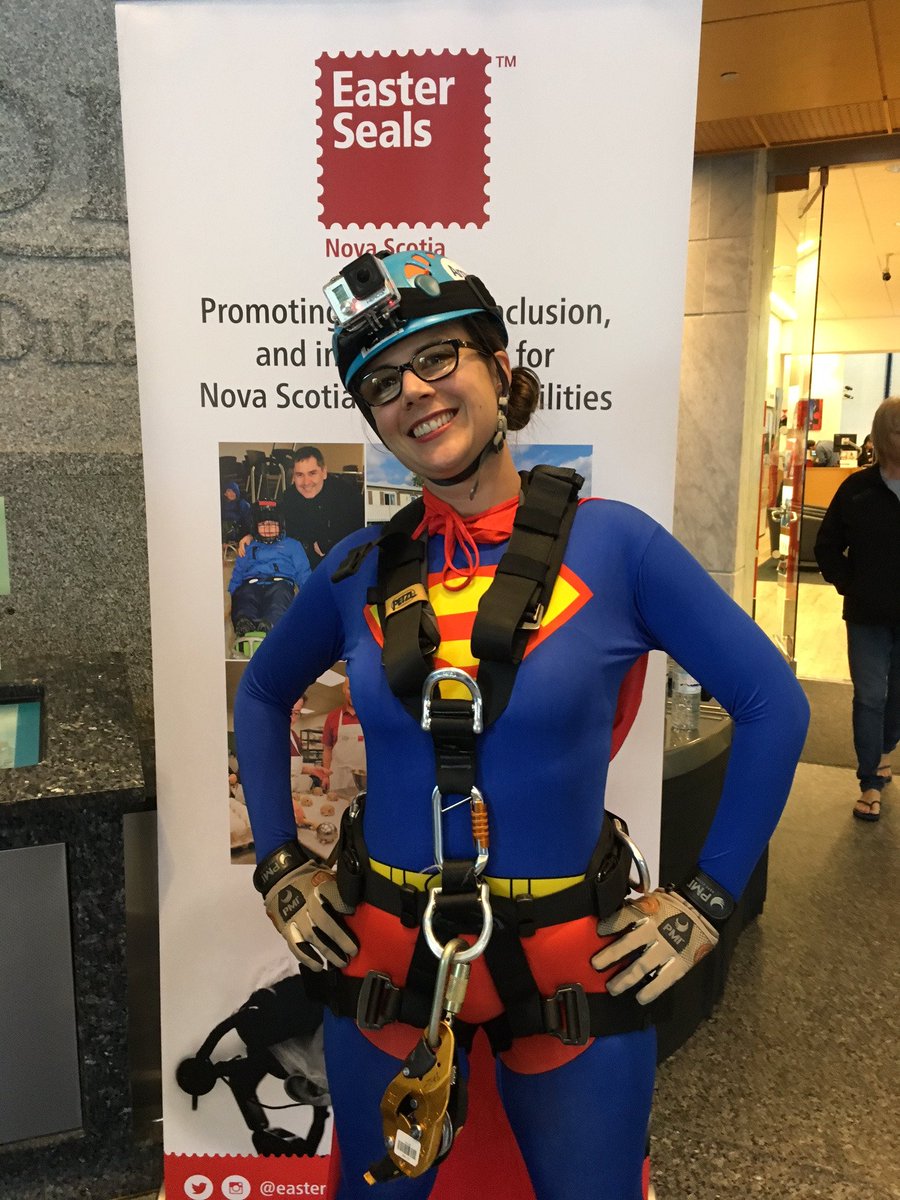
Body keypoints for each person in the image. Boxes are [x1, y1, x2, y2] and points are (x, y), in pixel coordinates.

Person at [234, 249, 809, 1199]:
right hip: (383, 945)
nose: (413, 392)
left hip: (567, 959)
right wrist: (278, 866)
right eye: (380, 384)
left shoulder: (618, 546)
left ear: (499, 366)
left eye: (437, 358)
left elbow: (773, 704)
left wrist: (709, 902)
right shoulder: (352, 570)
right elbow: (261, 696)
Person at [814, 397, 900, 822]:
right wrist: (850, 584)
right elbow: (826, 545)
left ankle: (884, 750)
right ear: (884, 436)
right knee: (870, 696)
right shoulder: (858, 488)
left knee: (896, 698)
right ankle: (870, 781)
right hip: (866, 614)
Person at [228, 500, 311, 638]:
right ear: (255, 527)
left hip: (280, 582)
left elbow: (303, 571)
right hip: (251, 582)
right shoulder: (249, 545)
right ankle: (245, 623)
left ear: (281, 525)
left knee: (279, 598)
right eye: (263, 525)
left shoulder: (292, 545)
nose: (268, 528)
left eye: (273, 524)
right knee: (244, 596)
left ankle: (271, 624)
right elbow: (239, 570)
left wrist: (310, 593)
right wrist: (232, 590)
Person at [321, 676, 366, 793]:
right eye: (350, 688)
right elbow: (327, 749)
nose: (354, 693)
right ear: (343, 689)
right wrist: (325, 775)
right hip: (338, 779)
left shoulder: (369, 716)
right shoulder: (332, 717)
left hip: (364, 779)